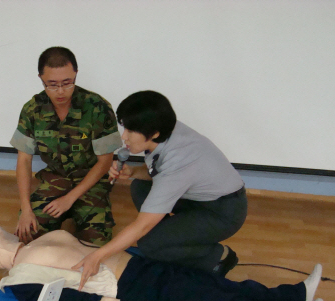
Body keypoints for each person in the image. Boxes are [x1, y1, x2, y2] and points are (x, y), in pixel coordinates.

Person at [0, 226, 325, 301]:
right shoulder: (18, 279)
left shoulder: (39, 240)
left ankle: (292, 295)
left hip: (138, 265)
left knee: (214, 285)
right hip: (130, 289)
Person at [73, 91, 248, 290]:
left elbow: (143, 225)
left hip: (223, 212)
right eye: (125, 128)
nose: (124, 136)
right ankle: (170, 241)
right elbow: (158, 171)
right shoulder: (164, 129)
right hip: (197, 197)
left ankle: (218, 257)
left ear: (154, 133)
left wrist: (97, 256)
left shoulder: (179, 157)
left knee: (149, 243)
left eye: (131, 130)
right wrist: (133, 171)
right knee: (140, 186)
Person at [10, 47, 123, 246]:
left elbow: (105, 162)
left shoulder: (97, 107)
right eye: (52, 85)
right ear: (41, 78)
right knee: (29, 235)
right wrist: (26, 209)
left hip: (90, 180)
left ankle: (78, 212)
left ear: (76, 75)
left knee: (96, 242)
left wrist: (69, 199)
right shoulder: (32, 109)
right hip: (55, 179)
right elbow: (24, 160)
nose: (61, 91)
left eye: (67, 83)